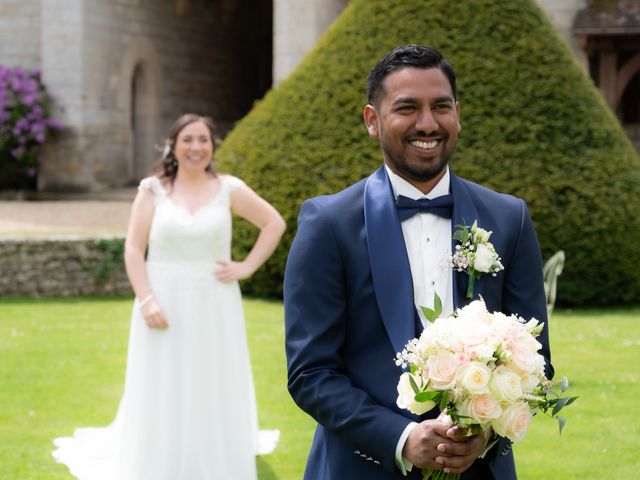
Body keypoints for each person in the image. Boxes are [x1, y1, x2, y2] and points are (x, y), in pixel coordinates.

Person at [284, 45, 553, 480]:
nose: (427, 123)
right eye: (407, 108)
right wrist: (401, 438)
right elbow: (311, 373)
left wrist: (484, 433)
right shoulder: (328, 223)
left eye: (440, 107)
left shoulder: (509, 219)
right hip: (361, 467)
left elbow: (535, 360)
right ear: (372, 120)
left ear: (458, 114)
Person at [53, 113, 286, 480]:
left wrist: (246, 267)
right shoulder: (153, 190)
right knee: (163, 380)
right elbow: (133, 249)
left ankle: (210, 453)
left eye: (204, 140)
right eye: (188, 140)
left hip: (215, 302)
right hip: (162, 299)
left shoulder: (229, 188)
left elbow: (274, 222)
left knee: (211, 377)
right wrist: (146, 299)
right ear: (174, 145)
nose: (196, 147)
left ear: (212, 146)